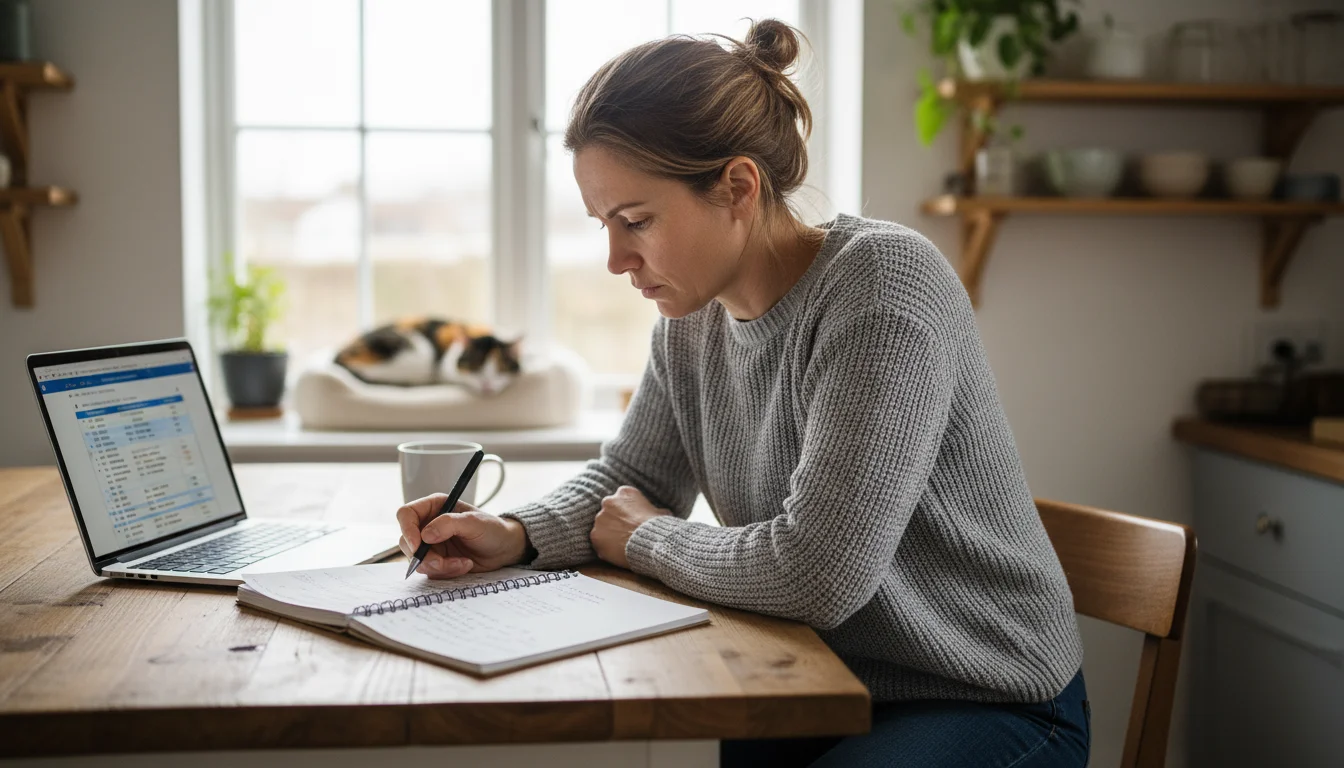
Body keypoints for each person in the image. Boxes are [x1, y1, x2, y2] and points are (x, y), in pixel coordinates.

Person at [395, 18, 1089, 767]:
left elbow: (817, 575)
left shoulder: (883, 287)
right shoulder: (691, 321)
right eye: (603, 224)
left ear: (737, 187)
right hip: (813, 676)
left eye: (635, 221)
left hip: (983, 693)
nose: (615, 258)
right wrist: (514, 534)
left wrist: (649, 539)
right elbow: (630, 481)